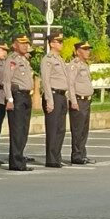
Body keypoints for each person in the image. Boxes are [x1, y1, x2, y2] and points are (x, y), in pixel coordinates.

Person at [3, 34, 34, 171]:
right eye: (21, 43)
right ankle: (15, 161)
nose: (25, 45)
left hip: (26, 95)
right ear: (14, 45)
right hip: (17, 96)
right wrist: (9, 99)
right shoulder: (12, 60)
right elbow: (6, 81)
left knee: (24, 130)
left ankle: (20, 158)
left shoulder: (25, 60)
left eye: (27, 43)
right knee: (17, 130)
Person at [40, 32, 70, 168]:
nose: (61, 44)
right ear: (51, 43)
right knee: (52, 129)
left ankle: (57, 156)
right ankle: (51, 158)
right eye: (58, 41)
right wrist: (49, 100)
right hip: (53, 95)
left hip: (62, 96)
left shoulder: (60, 59)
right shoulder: (48, 59)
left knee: (61, 129)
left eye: (61, 41)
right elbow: (45, 81)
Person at [68, 41, 96, 165]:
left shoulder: (84, 64)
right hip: (79, 100)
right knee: (78, 130)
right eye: (85, 49)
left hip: (86, 101)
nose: (88, 51)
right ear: (78, 51)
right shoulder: (75, 65)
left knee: (84, 130)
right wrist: (73, 100)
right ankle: (76, 155)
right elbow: (70, 83)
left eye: (88, 49)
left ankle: (82, 154)